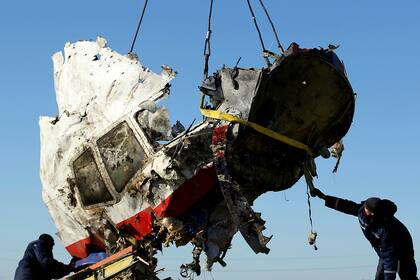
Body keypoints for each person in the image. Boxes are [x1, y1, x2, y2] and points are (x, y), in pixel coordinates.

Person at [312, 188, 418, 280]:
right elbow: (346, 206)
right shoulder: (362, 210)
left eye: (372, 213)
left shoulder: (384, 228)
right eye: (367, 210)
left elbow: (389, 257)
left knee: (407, 276)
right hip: (383, 250)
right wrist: (324, 197)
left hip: (402, 246)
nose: (368, 213)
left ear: (375, 213)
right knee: (379, 277)